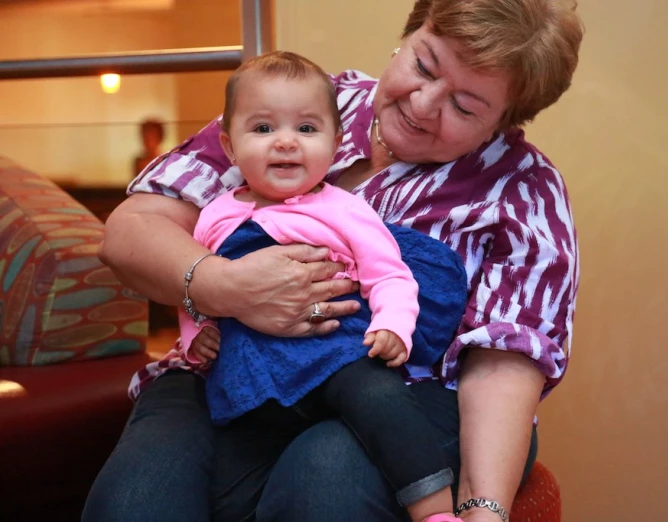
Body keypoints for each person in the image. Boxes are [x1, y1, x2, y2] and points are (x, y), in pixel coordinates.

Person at [84, 1, 583, 521]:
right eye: (424, 65)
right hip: (227, 361)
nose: (423, 103)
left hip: (408, 391)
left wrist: (483, 509)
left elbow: (501, 366)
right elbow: (130, 231)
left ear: (503, 122)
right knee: (137, 496)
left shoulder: (524, 190)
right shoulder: (299, 102)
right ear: (409, 33)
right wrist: (223, 285)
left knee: (323, 479)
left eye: (464, 105)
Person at [181, 51, 467, 522]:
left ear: (335, 146)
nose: (286, 143)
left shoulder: (342, 209)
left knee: (384, 403)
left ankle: (434, 510)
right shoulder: (214, 215)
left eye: (307, 129)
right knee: (229, 478)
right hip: (250, 372)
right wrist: (197, 332)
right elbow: (195, 288)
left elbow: (389, 273)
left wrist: (394, 325)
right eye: (264, 129)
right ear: (230, 148)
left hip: (334, 356)